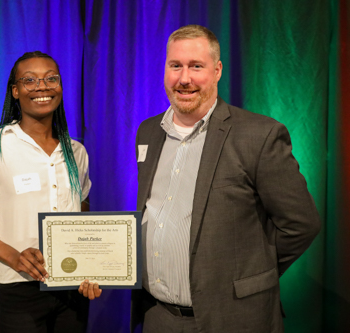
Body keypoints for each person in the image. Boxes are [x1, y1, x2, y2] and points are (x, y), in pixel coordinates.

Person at [132, 25, 321, 332]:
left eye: (196, 66)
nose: (184, 78)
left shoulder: (258, 135)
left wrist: (251, 273)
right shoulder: (148, 132)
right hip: (158, 317)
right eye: (175, 65)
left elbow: (301, 224)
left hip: (232, 319)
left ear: (217, 70)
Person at [0, 51, 100, 333]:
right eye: (30, 80)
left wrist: (90, 261)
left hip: (72, 286)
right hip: (19, 287)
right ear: (16, 90)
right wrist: (14, 256)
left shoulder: (76, 151)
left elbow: (82, 209)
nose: (42, 87)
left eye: (51, 79)